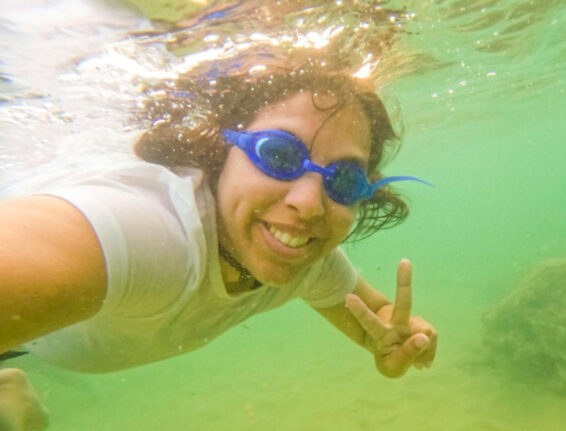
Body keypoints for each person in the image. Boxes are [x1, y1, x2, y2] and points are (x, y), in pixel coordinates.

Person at [0, 68, 437, 423]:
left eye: (344, 180)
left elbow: (374, 320)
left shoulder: (309, 261)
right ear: (221, 149)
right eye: (279, 155)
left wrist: (396, 341)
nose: (308, 205)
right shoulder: (150, 233)